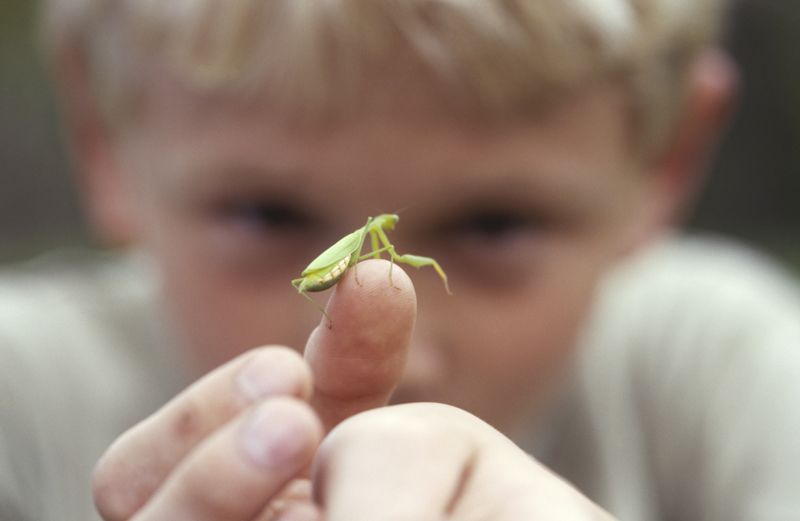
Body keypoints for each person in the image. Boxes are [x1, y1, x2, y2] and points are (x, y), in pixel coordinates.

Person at [1, 0, 798, 519]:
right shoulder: (24, 395)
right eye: (263, 212)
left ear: (669, 158)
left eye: (496, 223)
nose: (411, 362)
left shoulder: (729, 368)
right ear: (101, 144)